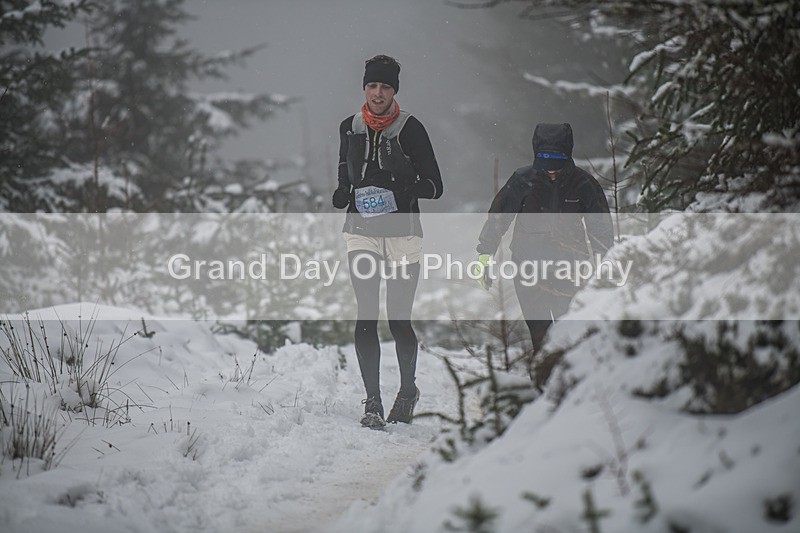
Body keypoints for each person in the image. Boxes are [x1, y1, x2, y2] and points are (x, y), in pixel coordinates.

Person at [332, 54, 443, 428]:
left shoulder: (411, 129)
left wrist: (401, 191)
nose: (378, 93)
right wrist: (343, 192)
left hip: (402, 235)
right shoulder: (350, 127)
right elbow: (345, 172)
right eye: (372, 86)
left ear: (394, 91)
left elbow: (435, 186)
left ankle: (407, 392)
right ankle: (373, 403)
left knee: (398, 319)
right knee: (366, 314)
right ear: (364, 88)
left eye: (385, 87)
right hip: (361, 232)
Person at [474, 122, 613, 353]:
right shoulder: (522, 180)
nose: (551, 171)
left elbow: (601, 229)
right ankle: (543, 372)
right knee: (540, 334)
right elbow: (499, 217)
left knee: (569, 332)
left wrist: (604, 263)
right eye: (546, 165)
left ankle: (570, 372)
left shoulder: (584, 183)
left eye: (556, 165)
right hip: (527, 269)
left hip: (570, 270)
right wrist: (485, 254)